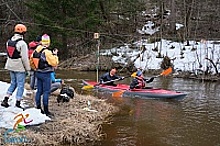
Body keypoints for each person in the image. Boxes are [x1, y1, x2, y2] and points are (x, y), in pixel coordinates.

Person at [1, 24, 31, 109]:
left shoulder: (8, 41)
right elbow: (25, 58)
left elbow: (9, 54)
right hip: (19, 67)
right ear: (23, 33)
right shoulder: (22, 44)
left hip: (10, 65)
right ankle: (18, 102)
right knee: (20, 85)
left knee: (13, 83)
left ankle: (5, 99)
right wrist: (28, 69)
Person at [34, 34, 59, 116]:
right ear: (48, 43)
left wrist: (35, 68)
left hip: (38, 73)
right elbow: (54, 63)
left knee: (39, 91)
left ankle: (38, 107)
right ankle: (46, 110)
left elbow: (31, 60)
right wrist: (55, 55)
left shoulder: (36, 50)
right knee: (46, 92)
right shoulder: (47, 52)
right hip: (46, 74)